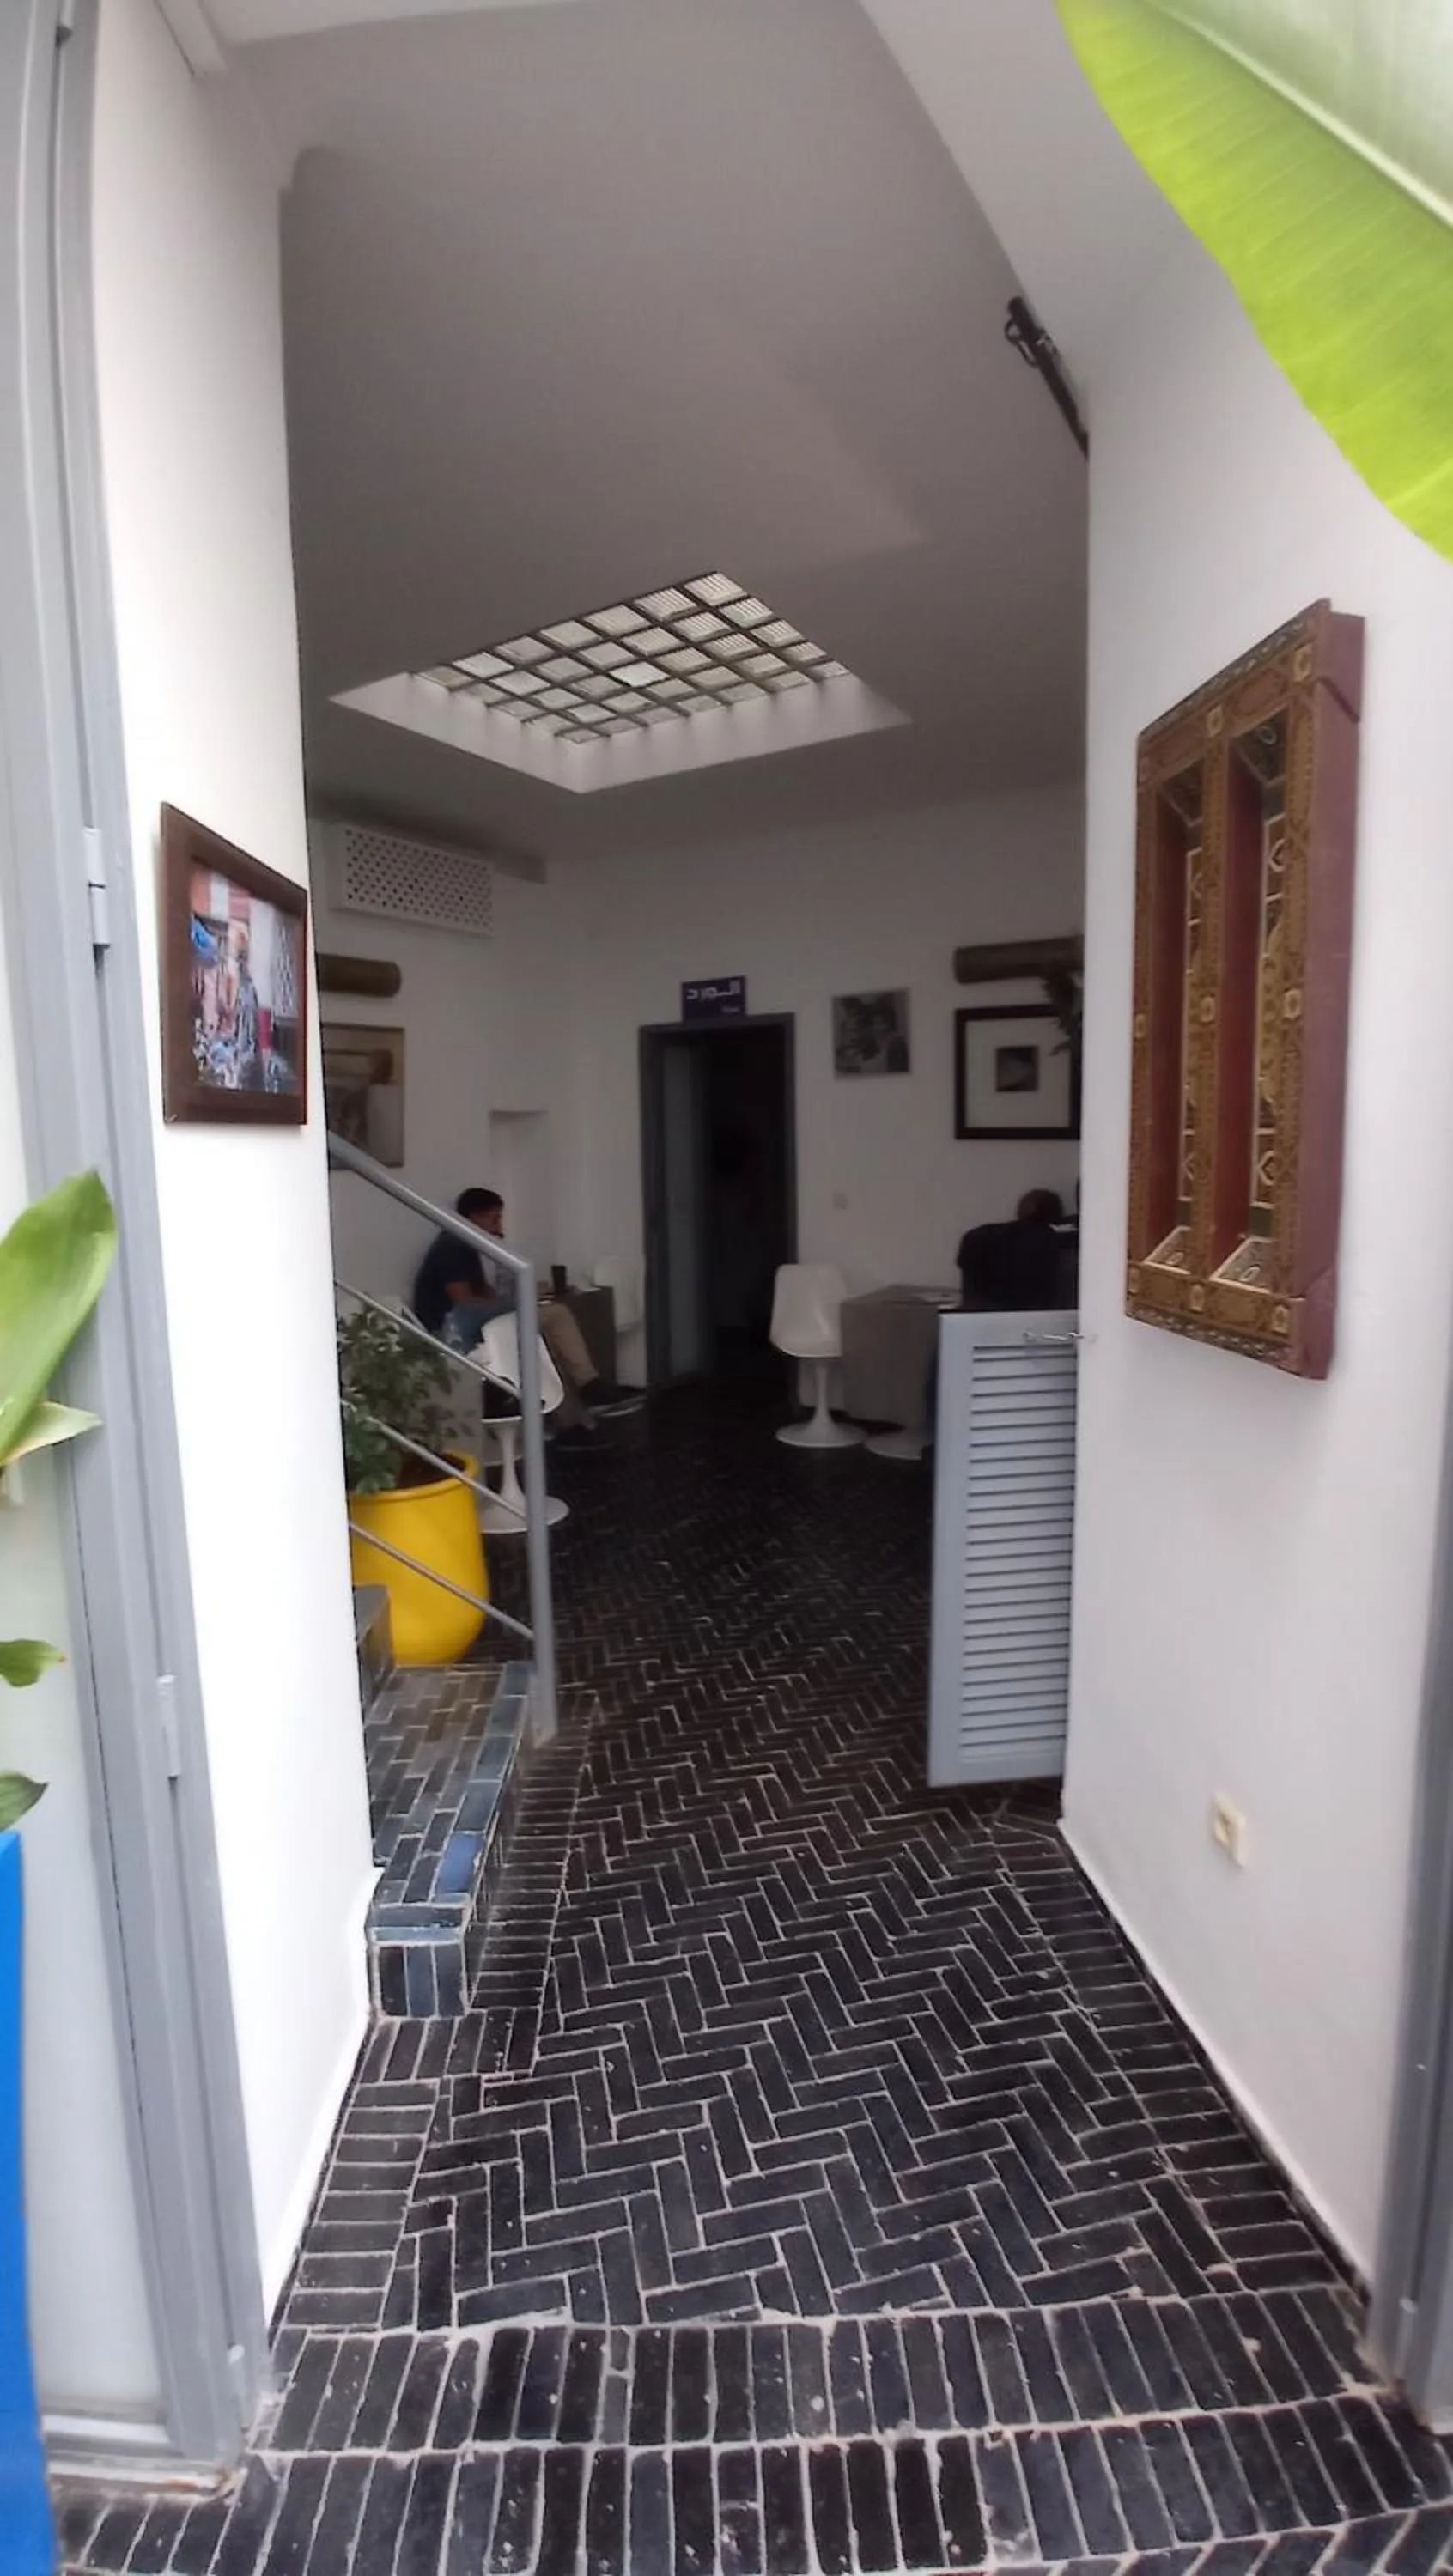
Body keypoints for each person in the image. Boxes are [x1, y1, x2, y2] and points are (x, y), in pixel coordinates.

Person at [411, 1188, 638, 1418]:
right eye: (495, 1218)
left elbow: (484, 1293)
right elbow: (465, 1303)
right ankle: (586, 1392)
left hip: (470, 1324)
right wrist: (520, 1301)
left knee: (545, 1329)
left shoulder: (464, 1246)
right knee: (555, 1317)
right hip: (450, 1333)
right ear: (475, 1218)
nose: (499, 1226)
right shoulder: (451, 1248)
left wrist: (524, 1297)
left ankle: (573, 1409)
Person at [957, 1188, 1073, 1312]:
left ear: (1019, 1211)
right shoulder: (1061, 1242)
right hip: (1039, 1318)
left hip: (977, 1317)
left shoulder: (977, 1236)